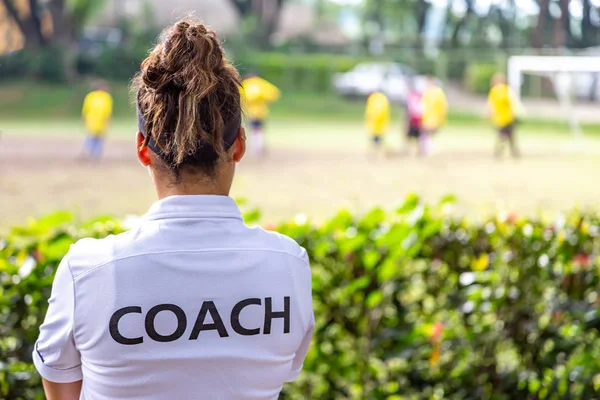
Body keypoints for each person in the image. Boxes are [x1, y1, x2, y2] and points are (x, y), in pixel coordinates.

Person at [33, 19, 314, 400]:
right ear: (239, 146)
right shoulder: (288, 264)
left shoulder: (87, 270)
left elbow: (61, 385)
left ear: (142, 148)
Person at [241, 73, 281, 157]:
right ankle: (259, 146)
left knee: (253, 130)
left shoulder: (246, 84)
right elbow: (274, 93)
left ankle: (255, 147)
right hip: (261, 112)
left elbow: (240, 95)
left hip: (251, 112)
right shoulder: (262, 83)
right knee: (259, 130)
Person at [486, 73, 521, 158]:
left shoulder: (494, 91)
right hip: (507, 117)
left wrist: (488, 115)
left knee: (504, 135)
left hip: (501, 118)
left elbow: (491, 105)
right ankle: (511, 152)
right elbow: (514, 103)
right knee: (509, 136)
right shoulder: (507, 90)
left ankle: (500, 151)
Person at [81, 80, 113, 160]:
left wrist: (107, 121)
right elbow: (86, 109)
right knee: (92, 138)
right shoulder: (93, 96)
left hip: (98, 122)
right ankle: (90, 154)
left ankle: (94, 155)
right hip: (93, 121)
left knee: (97, 139)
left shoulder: (105, 97)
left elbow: (108, 111)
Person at [420, 76, 448, 157]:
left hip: (432, 117)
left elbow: (442, 106)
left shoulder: (435, 93)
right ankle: (427, 149)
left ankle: (428, 150)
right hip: (429, 117)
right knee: (428, 134)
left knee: (428, 134)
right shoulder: (429, 92)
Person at [365, 91, 391, 158]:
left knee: (376, 140)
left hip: (376, 124)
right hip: (381, 124)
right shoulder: (382, 98)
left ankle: (377, 153)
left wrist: (371, 119)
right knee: (379, 139)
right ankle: (381, 153)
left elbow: (372, 112)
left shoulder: (373, 99)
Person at [402, 79, 424, 155]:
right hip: (418, 118)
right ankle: (418, 151)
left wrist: (406, 120)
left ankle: (407, 150)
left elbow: (408, 108)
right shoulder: (419, 95)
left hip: (413, 118)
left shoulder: (410, 96)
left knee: (409, 136)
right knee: (417, 136)